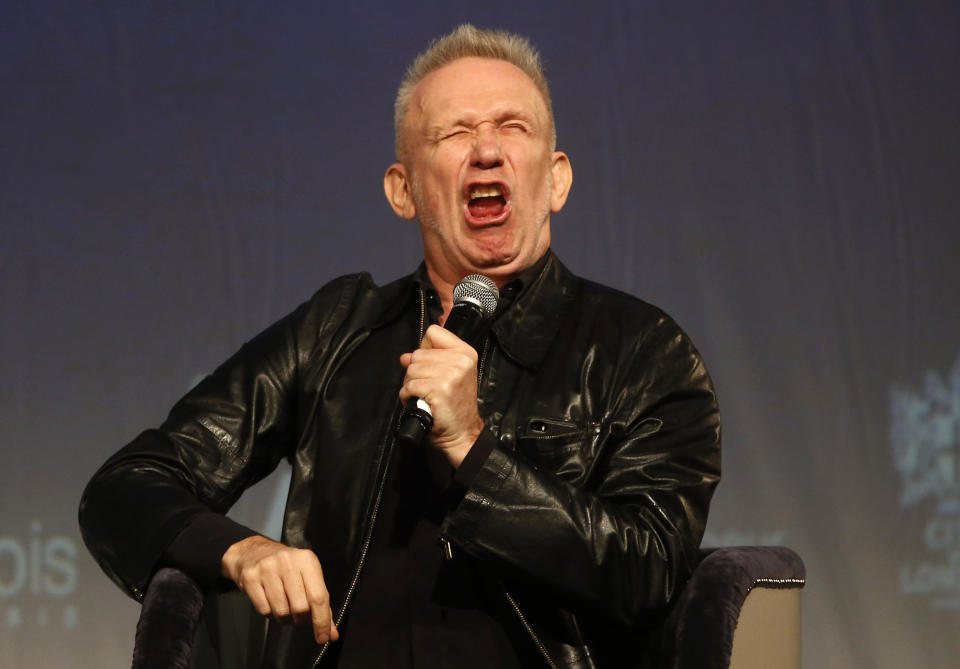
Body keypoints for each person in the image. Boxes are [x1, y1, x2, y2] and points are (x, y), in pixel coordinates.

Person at [80, 24, 721, 668]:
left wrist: (474, 449)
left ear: (556, 180)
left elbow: (651, 572)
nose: (488, 152)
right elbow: (128, 486)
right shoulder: (339, 331)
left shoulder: (641, 349)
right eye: (455, 133)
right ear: (403, 190)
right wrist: (241, 550)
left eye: (513, 128)